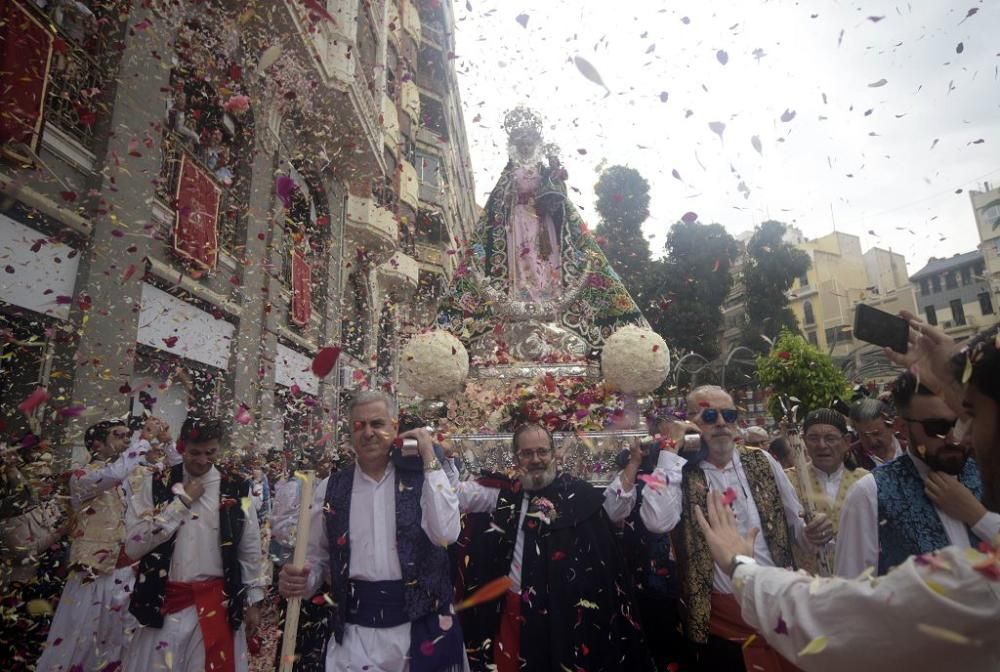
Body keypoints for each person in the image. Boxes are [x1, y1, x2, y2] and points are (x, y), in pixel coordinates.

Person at [692, 315, 1000, 672]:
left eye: (971, 415)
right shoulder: (870, 489)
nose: (962, 437)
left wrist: (739, 564)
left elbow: (836, 620)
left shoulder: (980, 587)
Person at [642, 385, 831, 672]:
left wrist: (812, 535)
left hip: (776, 605)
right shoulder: (677, 468)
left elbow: (797, 530)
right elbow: (656, 521)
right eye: (709, 415)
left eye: (728, 415)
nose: (720, 423)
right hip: (721, 622)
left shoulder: (762, 460)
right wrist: (670, 450)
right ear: (690, 423)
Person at [278, 391, 465, 672]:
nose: (368, 433)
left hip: (422, 630)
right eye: (359, 425)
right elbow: (318, 558)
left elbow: (447, 534)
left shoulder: (423, 479)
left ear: (394, 427)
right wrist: (302, 580)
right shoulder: (329, 488)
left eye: (377, 424)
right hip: (355, 637)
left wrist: (428, 454)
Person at [447, 422, 653, 672]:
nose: (536, 459)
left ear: (554, 454)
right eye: (527, 453)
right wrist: (441, 459)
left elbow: (614, 509)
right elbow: (455, 495)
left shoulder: (578, 493)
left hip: (566, 612)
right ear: (516, 458)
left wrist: (632, 465)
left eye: (542, 451)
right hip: (514, 610)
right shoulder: (503, 494)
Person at [437, 106, 645, 353]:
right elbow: (499, 204)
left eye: (529, 140)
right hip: (516, 225)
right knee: (521, 265)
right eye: (520, 140)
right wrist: (514, 197)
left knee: (545, 264)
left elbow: (562, 202)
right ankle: (520, 306)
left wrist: (554, 183)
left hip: (543, 226)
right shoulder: (509, 175)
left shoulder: (546, 171)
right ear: (514, 144)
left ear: (537, 142)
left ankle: (549, 312)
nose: (525, 145)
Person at [124, 416, 266, 672]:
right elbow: (133, 546)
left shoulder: (236, 487)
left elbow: (250, 544)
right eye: (195, 453)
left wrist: (253, 600)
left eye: (210, 453)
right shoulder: (156, 483)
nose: (202, 461)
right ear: (181, 446)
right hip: (165, 604)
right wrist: (180, 504)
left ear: (220, 448)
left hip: (216, 605)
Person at [836, 370, 999, 578]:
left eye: (960, 423)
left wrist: (977, 517)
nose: (953, 438)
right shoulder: (870, 492)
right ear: (902, 428)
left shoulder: (989, 474)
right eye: (936, 427)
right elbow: (851, 591)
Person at [37, 420, 143, 672]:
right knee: (80, 639)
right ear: (97, 444)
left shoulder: (129, 477)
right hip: (92, 573)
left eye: (129, 436)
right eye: (119, 436)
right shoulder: (81, 477)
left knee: (120, 642)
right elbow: (113, 475)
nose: (126, 441)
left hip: (123, 572)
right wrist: (142, 442)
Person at [603, 413, 696, 670]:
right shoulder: (638, 469)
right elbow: (613, 511)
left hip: (684, 579)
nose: (670, 443)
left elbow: (662, 519)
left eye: (675, 439)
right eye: (665, 438)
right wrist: (634, 464)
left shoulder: (690, 469)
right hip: (639, 580)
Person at [787, 409, 868, 576]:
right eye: (813, 438)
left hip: (857, 582)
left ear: (846, 441)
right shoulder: (788, 480)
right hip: (808, 585)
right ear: (803, 442)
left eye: (830, 438)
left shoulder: (866, 481)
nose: (821, 445)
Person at [848, 398, 904, 470]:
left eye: (876, 434)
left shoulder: (911, 449)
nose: (872, 441)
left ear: (892, 427)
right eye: (864, 435)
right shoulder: (850, 457)